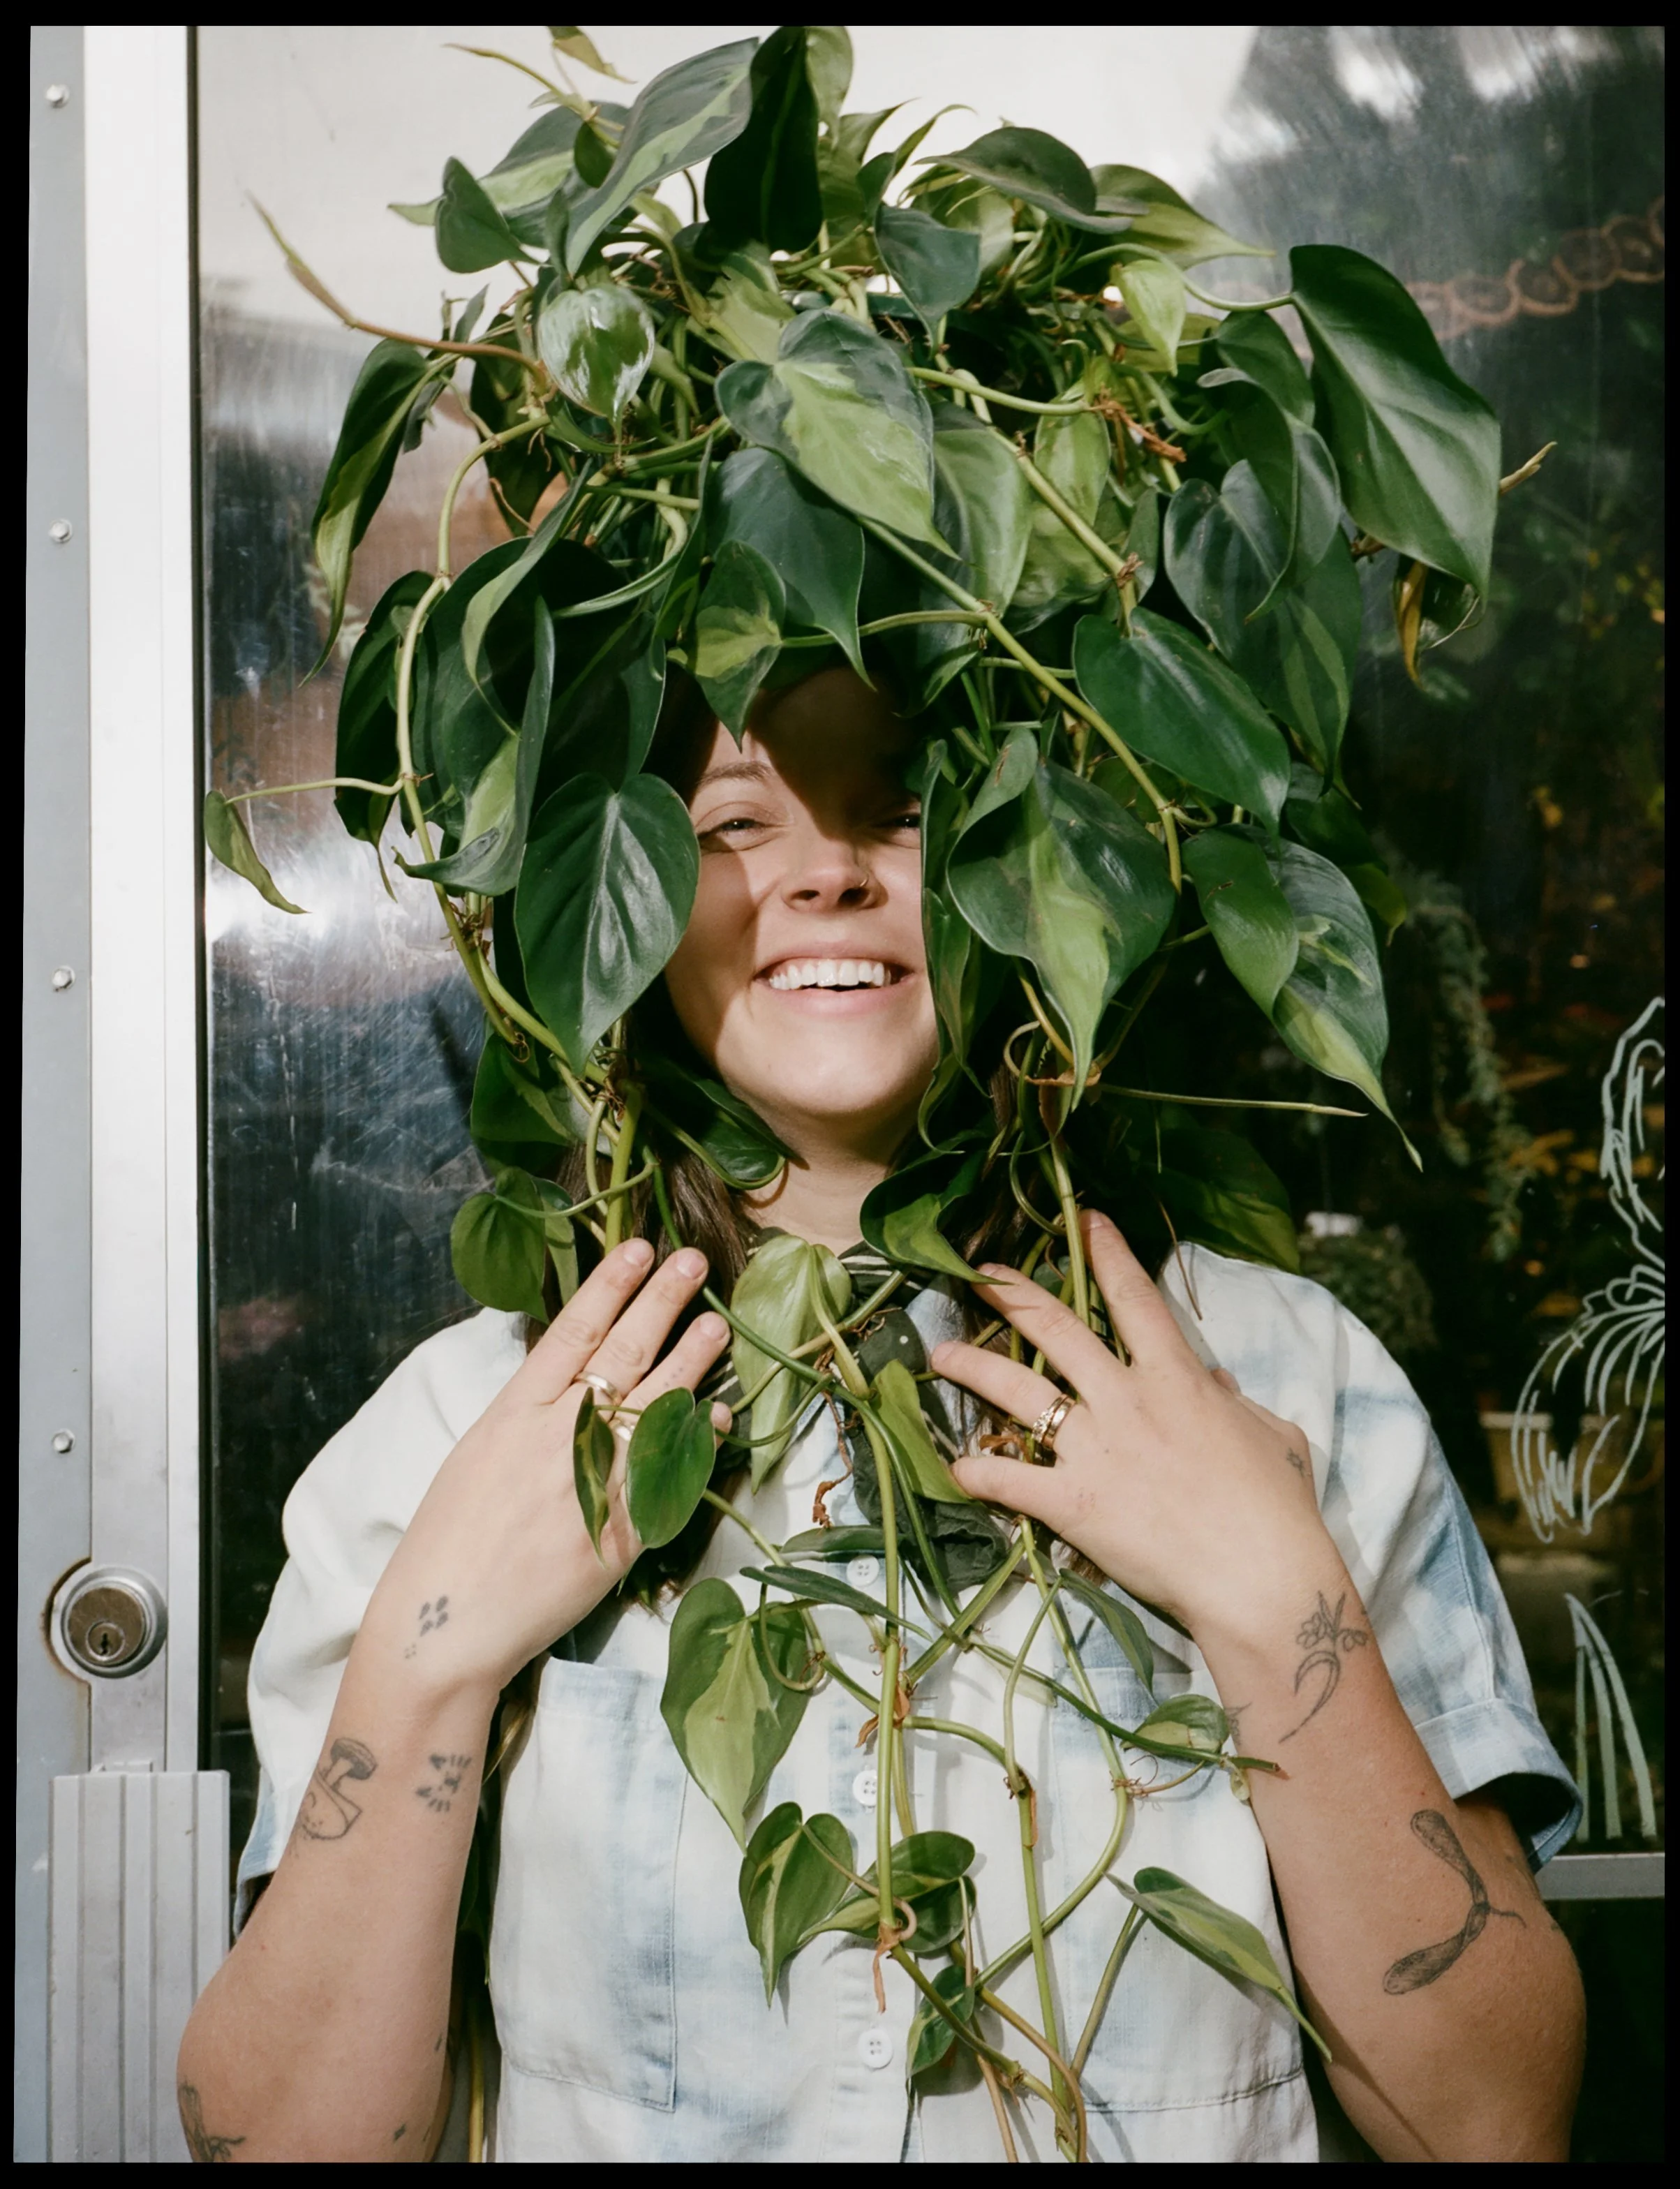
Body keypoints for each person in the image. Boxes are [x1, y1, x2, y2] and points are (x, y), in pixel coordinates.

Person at [177, 667, 1584, 2163]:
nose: (830, 869)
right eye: (731, 818)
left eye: (903, 810)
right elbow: (276, 2140)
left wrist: (1273, 1601)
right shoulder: (479, 1424)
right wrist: (430, 1660)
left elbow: (1493, 2124)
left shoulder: (1280, 1379)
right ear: (629, 895)